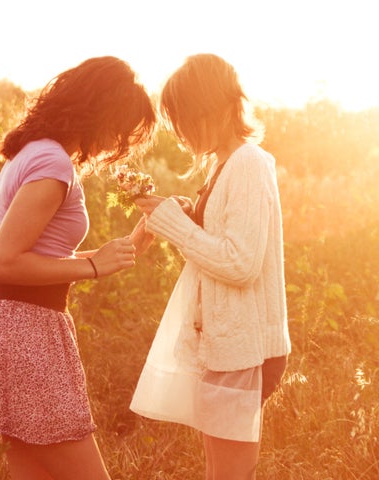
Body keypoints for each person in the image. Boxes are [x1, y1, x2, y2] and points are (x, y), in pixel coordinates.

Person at [0, 56, 156, 480]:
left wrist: (124, 249)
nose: (117, 142)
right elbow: (4, 264)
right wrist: (93, 266)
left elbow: (37, 253)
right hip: (28, 334)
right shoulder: (53, 164)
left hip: (23, 328)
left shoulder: (35, 153)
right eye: (119, 127)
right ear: (99, 111)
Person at [129, 53, 291, 480]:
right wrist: (187, 213)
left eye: (185, 118)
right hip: (224, 344)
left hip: (245, 349)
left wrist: (173, 224)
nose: (180, 133)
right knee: (218, 473)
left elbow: (240, 263)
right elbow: (222, 239)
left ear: (214, 109)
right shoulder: (225, 165)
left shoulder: (249, 165)